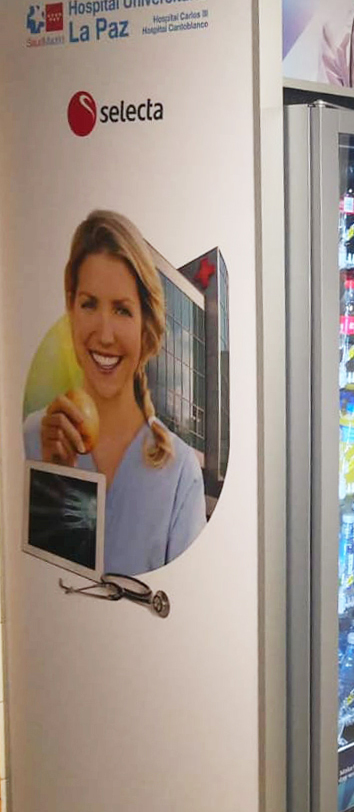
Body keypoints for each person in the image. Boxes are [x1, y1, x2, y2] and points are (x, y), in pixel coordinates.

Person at [25, 211, 207, 576]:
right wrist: (56, 479)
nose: (105, 334)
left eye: (122, 310)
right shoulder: (32, 436)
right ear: (71, 309)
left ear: (145, 326)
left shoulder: (180, 473)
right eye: (89, 304)